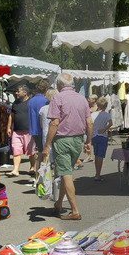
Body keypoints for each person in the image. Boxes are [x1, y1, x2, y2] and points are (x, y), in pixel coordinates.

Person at [39, 73, 91, 221]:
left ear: (59, 85)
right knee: (65, 171)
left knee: (66, 173)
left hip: (62, 140)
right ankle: (59, 204)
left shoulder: (57, 98)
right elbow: (89, 122)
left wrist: (47, 146)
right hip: (78, 139)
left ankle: (75, 210)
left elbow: (54, 123)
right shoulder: (82, 98)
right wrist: (88, 142)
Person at [8, 84, 33, 178]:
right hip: (16, 131)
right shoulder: (15, 103)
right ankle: (15, 170)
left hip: (29, 131)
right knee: (16, 150)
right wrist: (8, 127)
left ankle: (32, 167)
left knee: (31, 152)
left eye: (18, 91)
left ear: (25, 92)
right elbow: (11, 115)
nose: (16, 93)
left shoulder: (31, 102)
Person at [90, 97, 113, 178]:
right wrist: (104, 129)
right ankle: (98, 174)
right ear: (106, 106)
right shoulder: (107, 114)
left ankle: (97, 172)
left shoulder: (93, 114)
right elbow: (111, 123)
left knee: (96, 155)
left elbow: (90, 125)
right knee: (100, 156)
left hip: (94, 136)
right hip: (103, 136)